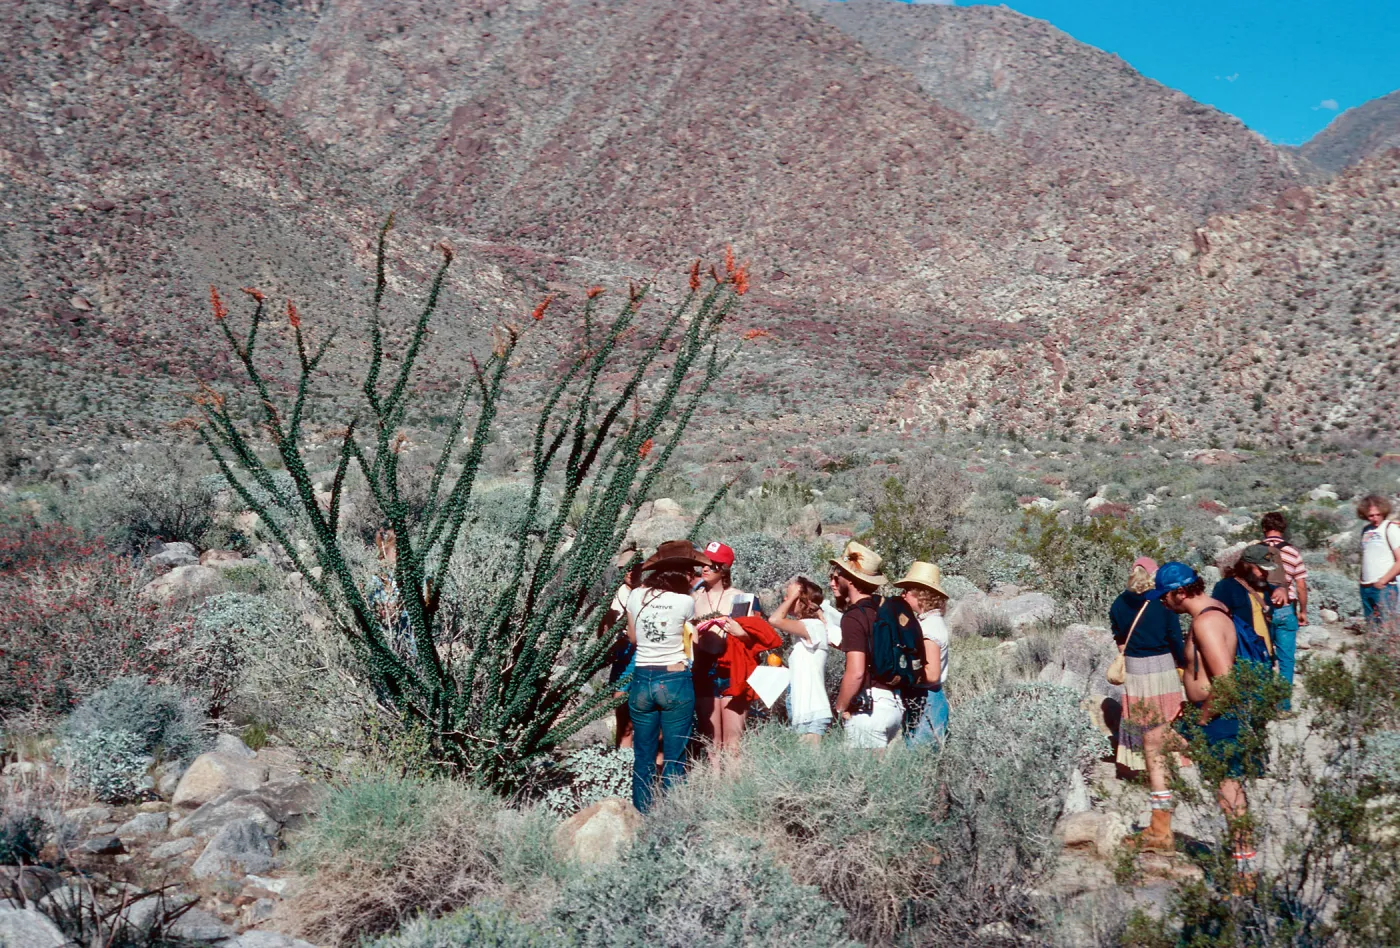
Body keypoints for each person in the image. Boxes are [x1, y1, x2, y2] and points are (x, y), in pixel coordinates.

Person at [1149, 562, 1263, 884]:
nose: (1162, 603)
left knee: (1229, 795)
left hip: (1219, 716)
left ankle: (1245, 874)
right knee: (1154, 739)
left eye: (1164, 597)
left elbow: (1225, 681)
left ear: (1180, 593)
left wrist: (1201, 717)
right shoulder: (1213, 608)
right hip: (1209, 712)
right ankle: (1160, 829)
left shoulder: (1207, 622)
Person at [1110, 556, 1186, 851]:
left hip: (1136, 671)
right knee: (1165, 724)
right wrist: (1185, 665)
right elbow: (1174, 639)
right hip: (1163, 668)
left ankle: (1147, 770)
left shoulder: (1118, 602)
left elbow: (1118, 639)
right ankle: (1171, 765)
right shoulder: (1162, 601)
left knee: (1145, 729)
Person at [625, 540, 707, 813]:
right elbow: (689, 639)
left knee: (643, 756)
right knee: (675, 757)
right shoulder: (685, 601)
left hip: (641, 678)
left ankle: (641, 814)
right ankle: (672, 819)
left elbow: (634, 638)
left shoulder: (636, 595)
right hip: (674, 679)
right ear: (682, 573)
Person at [829, 541, 903, 749]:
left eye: (839, 573)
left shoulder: (853, 617)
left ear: (851, 580)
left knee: (859, 779)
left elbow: (856, 672)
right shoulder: (885, 610)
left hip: (869, 708)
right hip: (894, 703)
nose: (835, 579)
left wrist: (840, 706)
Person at [691, 541, 757, 758]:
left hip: (732, 672)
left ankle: (732, 788)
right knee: (710, 741)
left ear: (724, 568)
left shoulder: (742, 599)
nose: (706, 568)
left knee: (732, 741)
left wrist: (740, 632)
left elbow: (754, 640)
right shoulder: (693, 598)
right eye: (704, 563)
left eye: (712, 564)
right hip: (702, 671)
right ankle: (712, 787)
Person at [769, 577, 832, 744]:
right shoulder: (808, 628)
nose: (785, 600)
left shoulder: (813, 626)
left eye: (791, 597)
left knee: (811, 767)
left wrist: (791, 598)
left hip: (812, 712)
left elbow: (774, 620)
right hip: (803, 712)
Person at [894, 562, 951, 746]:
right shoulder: (928, 623)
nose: (902, 595)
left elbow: (932, 673)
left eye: (907, 590)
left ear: (921, 595)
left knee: (920, 755)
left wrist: (901, 675)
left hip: (927, 700)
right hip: (924, 698)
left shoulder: (930, 628)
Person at [1260, 513, 1308, 710]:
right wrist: (1303, 611)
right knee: (1286, 660)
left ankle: (1261, 702)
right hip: (1286, 608)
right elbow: (1301, 585)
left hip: (1262, 610)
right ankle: (1283, 706)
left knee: (1262, 656)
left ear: (1264, 528)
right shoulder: (1293, 552)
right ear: (1283, 528)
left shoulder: (1255, 551)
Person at [1212, 544, 1288, 664]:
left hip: (1265, 656)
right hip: (1242, 659)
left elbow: (1278, 592)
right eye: (1260, 569)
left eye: (1266, 570)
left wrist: (1281, 589)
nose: (1264, 574)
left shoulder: (1266, 588)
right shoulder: (1225, 587)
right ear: (1246, 566)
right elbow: (1216, 623)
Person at [600, 542, 642, 748]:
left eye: (635, 567)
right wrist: (607, 648)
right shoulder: (616, 595)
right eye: (626, 568)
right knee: (622, 710)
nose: (631, 572)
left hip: (644, 653)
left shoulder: (646, 593)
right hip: (624, 653)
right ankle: (623, 759)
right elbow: (605, 625)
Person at [1358, 494, 1400, 627]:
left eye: (1378, 514)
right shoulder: (1366, 530)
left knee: (1387, 627)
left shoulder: (1390, 528)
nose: (1375, 518)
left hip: (1384, 587)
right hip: (1366, 587)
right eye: (1371, 515)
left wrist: (1383, 580)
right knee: (1371, 627)